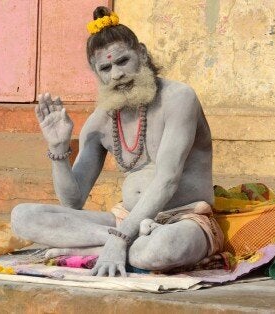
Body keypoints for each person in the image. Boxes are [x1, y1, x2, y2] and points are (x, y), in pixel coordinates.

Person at [11, 7, 223, 277]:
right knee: (23, 217)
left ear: (142, 54)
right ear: (96, 72)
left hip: (183, 219)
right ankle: (114, 244)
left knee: (165, 248)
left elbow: (167, 180)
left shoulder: (179, 98)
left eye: (123, 61)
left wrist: (119, 239)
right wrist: (59, 148)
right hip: (124, 220)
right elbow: (73, 200)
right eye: (106, 67)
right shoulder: (101, 121)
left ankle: (105, 246)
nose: (117, 74)